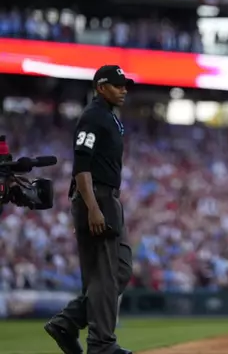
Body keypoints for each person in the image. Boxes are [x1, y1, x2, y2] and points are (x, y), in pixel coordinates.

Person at [45, 65, 134, 354]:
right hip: (96, 197)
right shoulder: (93, 117)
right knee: (105, 274)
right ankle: (101, 344)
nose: (123, 89)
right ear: (100, 87)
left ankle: (68, 321)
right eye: (117, 85)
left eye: (124, 85)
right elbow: (82, 166)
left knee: (119, 269)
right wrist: (92, 208)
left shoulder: (107, 116)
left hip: (107, 198)